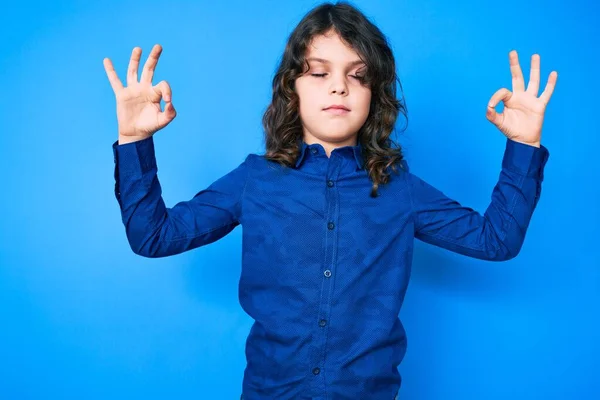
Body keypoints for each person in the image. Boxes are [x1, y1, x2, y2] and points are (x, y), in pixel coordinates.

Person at [103, 2, 557, 399]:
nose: (338, 87)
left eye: (357, 76)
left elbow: (495, 240)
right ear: (291, 89)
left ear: (374, 96)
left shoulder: (401, 189)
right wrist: (133, 139)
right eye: (319, 73)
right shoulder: (254, 180)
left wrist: (523, 146)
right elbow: (154, 236)